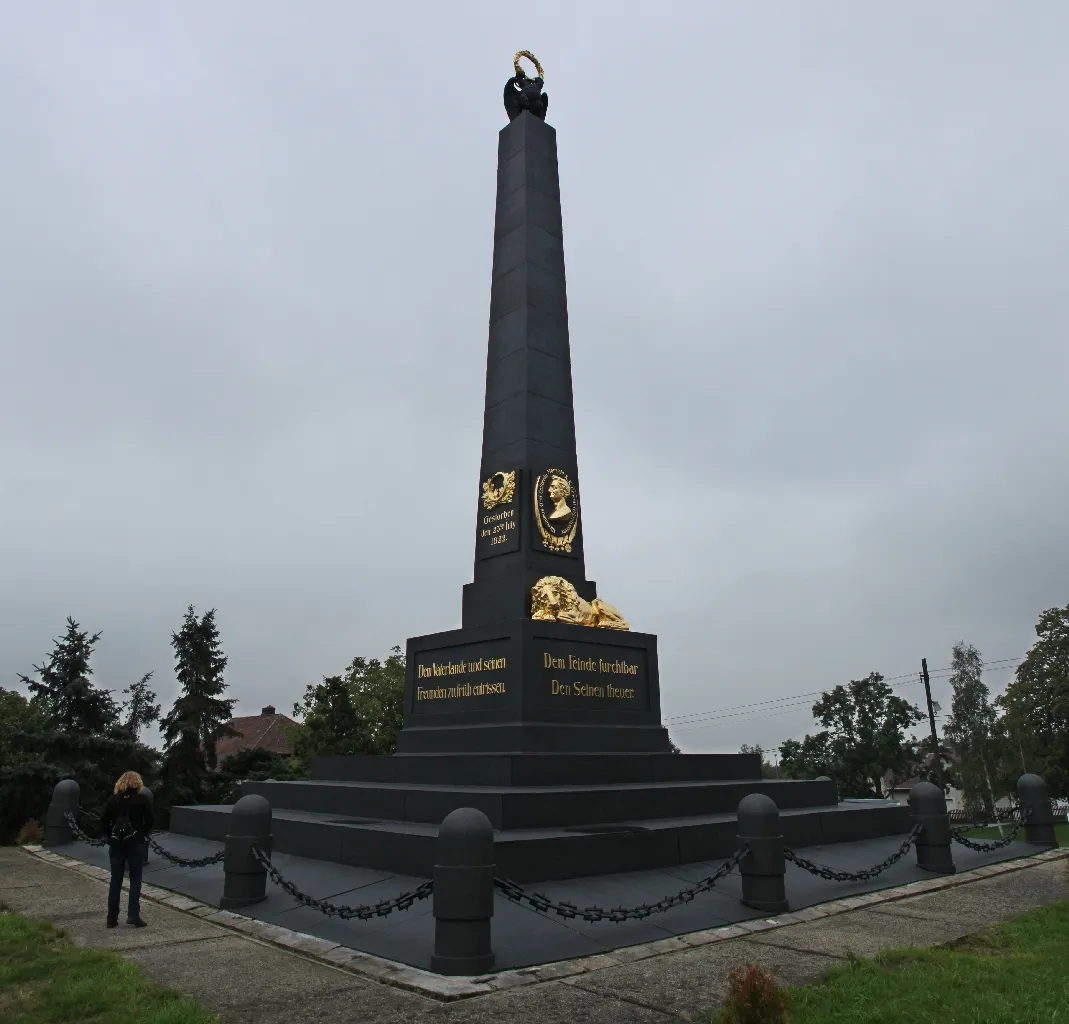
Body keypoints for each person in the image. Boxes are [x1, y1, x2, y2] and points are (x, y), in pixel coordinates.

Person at [99, 771, 154, 928]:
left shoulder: (112, 799)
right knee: (135, 879)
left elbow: (103, 822)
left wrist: (111, 836)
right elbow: (150, 820)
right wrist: (141, 832)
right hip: (136, 843)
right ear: (137, 783)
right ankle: (133, 915)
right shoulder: (142, 799)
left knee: (115, 880)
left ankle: (111, 918)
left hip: (117, 844)